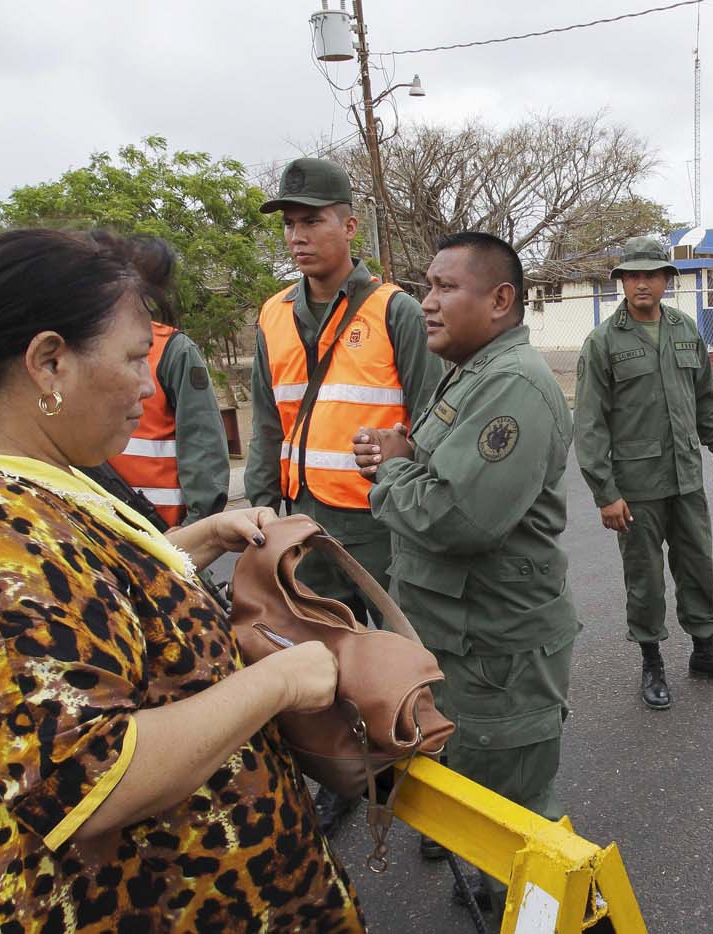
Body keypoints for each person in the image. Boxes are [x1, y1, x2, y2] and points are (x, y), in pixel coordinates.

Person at [0, 229, 364, 931]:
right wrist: (280, 682)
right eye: (136, 359)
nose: (147, 384)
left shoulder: (15, 485)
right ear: (49, 362)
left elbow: (73, 613)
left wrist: (182, 549)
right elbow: (92, 781)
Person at [353, 232, 579, 916]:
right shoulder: (473, 371)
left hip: (497, 649)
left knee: (523, 824)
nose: (428, 302)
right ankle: (489, 886)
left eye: (446, 287)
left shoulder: (512, 385)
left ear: (501, 299)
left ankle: (539, 921)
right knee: (479, 803)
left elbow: (457, 518)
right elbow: (437, 461)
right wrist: (402, 450)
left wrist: (390, 469)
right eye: (428, 286)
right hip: (460, 638)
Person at [246, 156, 442, 831]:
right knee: (319, 653)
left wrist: (401, 455)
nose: (298, 236)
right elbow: (268, 418)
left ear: (349, 225)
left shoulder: (397, 312)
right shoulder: (273, 314)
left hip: (378, 519)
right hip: (302, 521)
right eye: (290, 224)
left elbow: (432, 420)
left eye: (312, 221)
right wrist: (264, 505)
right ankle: (344, 775)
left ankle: (426, 784)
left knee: (399, 653)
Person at [573, 235, 713, 710]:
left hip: (684, 477)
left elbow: (704, 400)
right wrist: (604, 493)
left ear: (665, 280)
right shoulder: (602, 343)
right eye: (632, 275)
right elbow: (590, 425)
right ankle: (652, 661)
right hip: (634, 488)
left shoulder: (684, 329)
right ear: (622, 282)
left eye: (650, 274)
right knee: (646, 577)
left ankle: (705, 651)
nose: (641, 283)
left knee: (698, 564)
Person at [106, 235, 229, 526]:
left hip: (166, 529)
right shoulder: (72, 353)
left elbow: (202, 443)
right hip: (100, 529)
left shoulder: (173, 350)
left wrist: (198, 526)